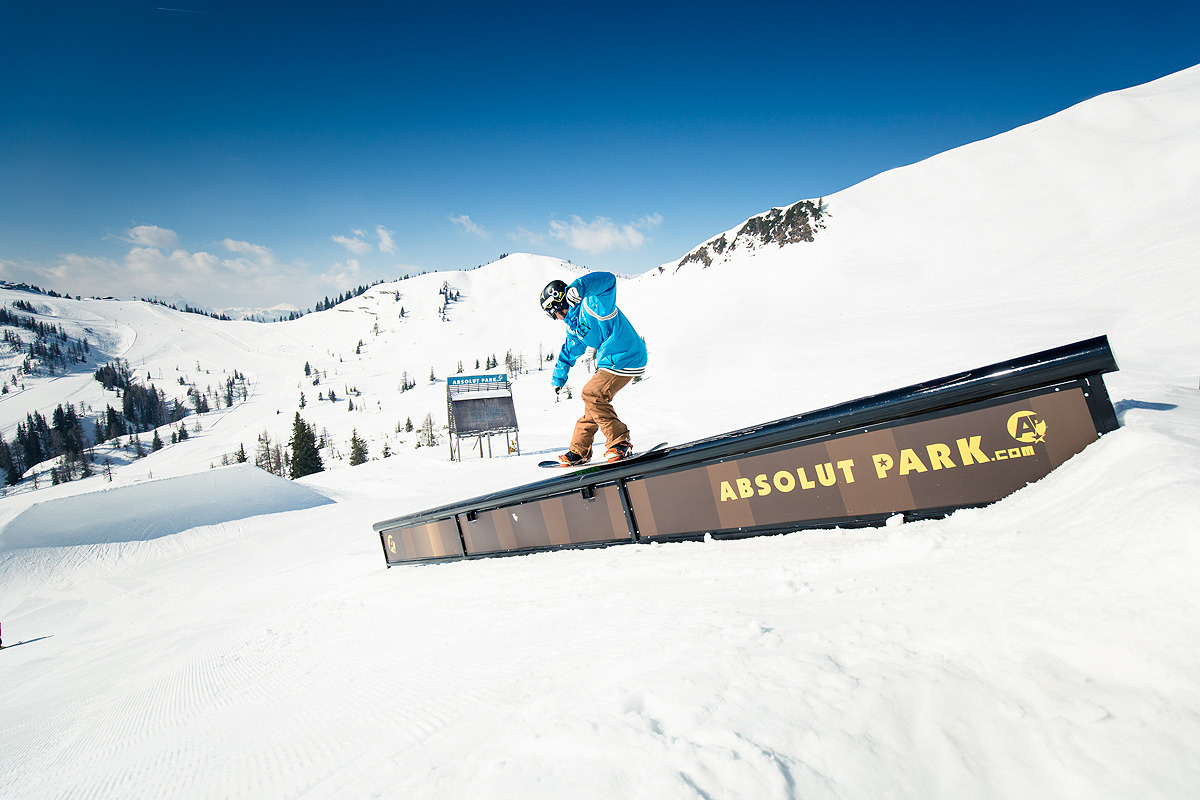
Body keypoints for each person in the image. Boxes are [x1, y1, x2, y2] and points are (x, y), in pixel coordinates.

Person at [540, 272, 647, 465]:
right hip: (612, 359)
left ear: (558, 304)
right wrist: (558, 378)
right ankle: (579, 450)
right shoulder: (574, 327)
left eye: (552, 314)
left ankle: (620, 441)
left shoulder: (592, 304)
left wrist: (579, 287)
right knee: (593, 406)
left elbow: (608, 281)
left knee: (591, 394)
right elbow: (568, 352)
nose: (556, 318)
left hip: (626, 355)